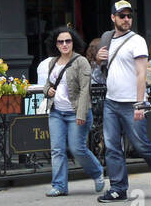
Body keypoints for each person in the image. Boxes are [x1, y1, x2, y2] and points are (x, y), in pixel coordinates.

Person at [94, 0, 151, 203]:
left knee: (141, 145)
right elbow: (102, 70)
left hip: (131, 103)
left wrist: (140, 103)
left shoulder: (137, 40)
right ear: (113, 18)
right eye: (122, 16)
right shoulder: (108, 39)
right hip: (111, 101)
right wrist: (98, 59)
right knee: (112, 146)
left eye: (129, 15)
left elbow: (141, 74)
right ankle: (118, 188)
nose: (127, 19)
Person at [40, 27, 106, 196]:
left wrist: (81, 113)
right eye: (60, 41)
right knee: (57, 149)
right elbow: (47, 84)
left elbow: (85, 90)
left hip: (76, 112)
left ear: (73, 42)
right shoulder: (52, 62)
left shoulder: (81, 61)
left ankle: (97, 172)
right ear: (56, 44)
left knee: (77, 148)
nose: (64, 44)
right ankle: (59, 186)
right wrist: (47, 91)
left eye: (67, 41)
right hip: (56, 112)